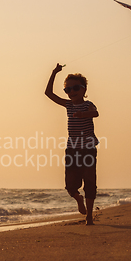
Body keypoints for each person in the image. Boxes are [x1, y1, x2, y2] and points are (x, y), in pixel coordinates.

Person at [45, 63, 99, 225]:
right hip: (72, 150)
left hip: (88, 149)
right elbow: (48, 93)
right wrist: (54, 72)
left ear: (84, 89)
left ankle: (89, 216)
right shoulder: (68, 105)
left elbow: (96, 113)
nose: (71, 92)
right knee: (70, 185)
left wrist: (84, 114)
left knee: (90, 182)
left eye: (75, 88)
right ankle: (78, 198)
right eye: (67, 90)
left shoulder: (88, 105)